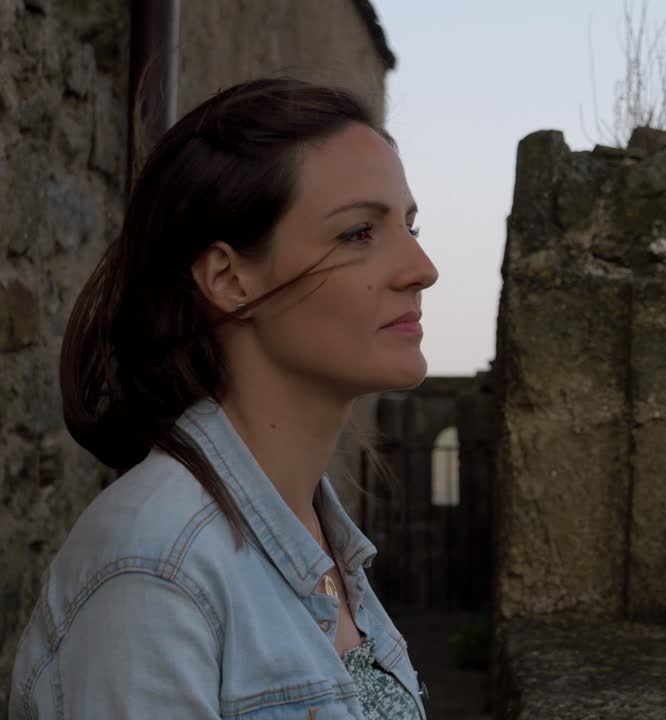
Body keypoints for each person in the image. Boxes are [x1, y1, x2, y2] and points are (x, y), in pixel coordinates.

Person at [8, 78, 437, 719]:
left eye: (408, 224)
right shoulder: (155, 565)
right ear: (229, 278)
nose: (421, 266)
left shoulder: (319, 539)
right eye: (358, 233)